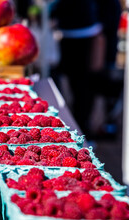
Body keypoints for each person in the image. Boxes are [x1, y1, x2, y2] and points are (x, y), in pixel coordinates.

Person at [50, 0, 102, 137]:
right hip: (67, 32)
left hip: (84, 33)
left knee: (82, 87)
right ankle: (75, 127)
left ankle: (82, 130)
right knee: (74, 86)